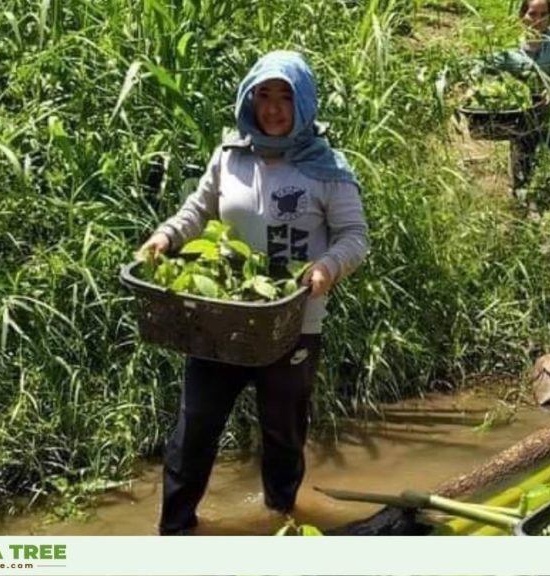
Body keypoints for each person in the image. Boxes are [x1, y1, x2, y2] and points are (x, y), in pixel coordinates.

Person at [135, 50, 370, 535]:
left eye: (286, 97)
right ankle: (174, 531)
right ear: (249, 99)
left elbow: (354, 237)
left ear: (304, 103)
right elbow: (195, 214)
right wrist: (164, 237)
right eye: (264, 95)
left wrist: (327, 267)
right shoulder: (230, 157)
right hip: (224, 320)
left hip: (293, 323)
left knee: (283, 433)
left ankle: (282, 520)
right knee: (194, 427)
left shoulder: (327, 167)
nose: (274, 108)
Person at [482, 0, 550, 253]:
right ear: (523, 15)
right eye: (533, 13)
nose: (538, 19)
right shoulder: (511, 46)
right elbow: (485, 69)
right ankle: (522, 241)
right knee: (521, 179)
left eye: (544, 14)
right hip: (522, 121)